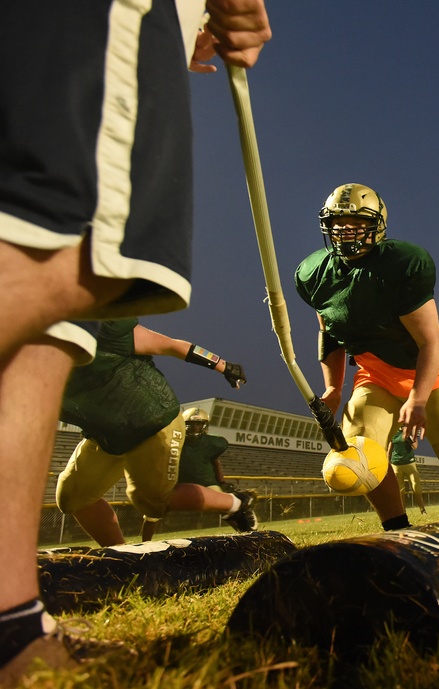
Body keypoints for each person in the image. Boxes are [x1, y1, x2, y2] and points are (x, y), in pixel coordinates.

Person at [0, 2, 270, 681]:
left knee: (49, 310)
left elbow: (170, 345)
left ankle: (8, 624)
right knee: (69, 248)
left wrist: (218, 362)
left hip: (148, 424)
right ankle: (122, 559)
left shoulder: (116, 334)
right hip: (106, 432)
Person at [294, 183, 439, 534]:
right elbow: (329, 332)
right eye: (338, 222)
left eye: (356, 222)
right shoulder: (313, 273)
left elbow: (430, 343)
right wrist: (333, 388)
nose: (345, 230)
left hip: (430, 369)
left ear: (377, 224)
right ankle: (397, 528)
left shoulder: (401, 264)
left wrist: (418, 397)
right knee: (361, 452)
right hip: (375, 373)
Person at [56, 318, 256, 548]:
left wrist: (223, 365)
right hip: (106, 435)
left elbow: (171, 345)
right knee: (73, 497)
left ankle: (236, 504)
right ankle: (122, 554)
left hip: (152, 420)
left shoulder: (98, 325)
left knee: (151, 501)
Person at [142, 406, 233, 541]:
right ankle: (145, 544)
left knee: (227, 504)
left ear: (204, 425)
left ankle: (247, 533)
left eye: (198, 424)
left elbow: (215, 461)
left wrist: (222, 482)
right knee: (152, 512)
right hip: (175, 481)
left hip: (205, 481)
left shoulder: (211, 443)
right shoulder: (174, 440)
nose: (194, 427)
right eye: (190, 424)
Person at [389, 428, 426, 515]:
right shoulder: (393, 431)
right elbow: (389, 449)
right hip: (396, 464)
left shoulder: (411, 431)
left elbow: (415, 446)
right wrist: (387, 462)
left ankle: (422, 510)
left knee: (416, 487)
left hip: (409, 463)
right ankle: (402, 512)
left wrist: (408, 437)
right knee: (400, 491)